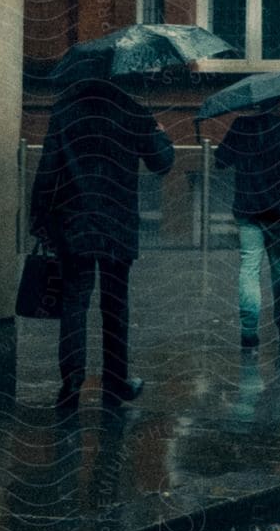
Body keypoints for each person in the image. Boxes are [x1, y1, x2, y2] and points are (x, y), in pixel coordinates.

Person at [30, 76, 173, 411]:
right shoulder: (131, 110)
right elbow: (162, 163)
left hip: (75, 222)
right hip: (117, 223)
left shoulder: (65, 112)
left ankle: (71, 382)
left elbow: (47, 171)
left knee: (74, 303)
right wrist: (160, 133)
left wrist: (40, 219)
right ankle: (115, 381)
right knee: (115, 305)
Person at [214, 102, 280, 350]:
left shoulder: (241, 127)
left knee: (249, 268)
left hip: (249, 209)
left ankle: (248, 331)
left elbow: (221, 160)